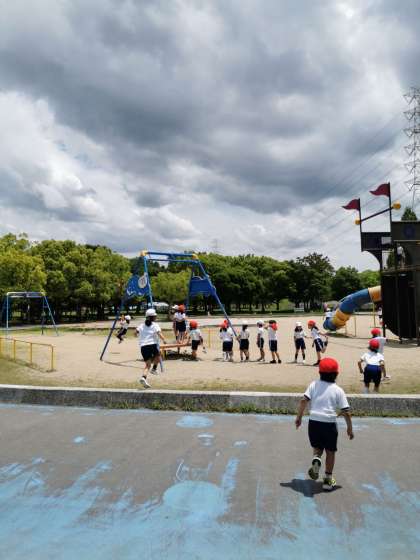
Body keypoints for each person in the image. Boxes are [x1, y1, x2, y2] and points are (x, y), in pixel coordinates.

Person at [295, 357, 354, 491]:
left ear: (319, 372)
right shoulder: (338, 390)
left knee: (317, 447)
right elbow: (346, 412)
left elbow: (303, 401)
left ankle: (316, 459)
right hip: (329, 424)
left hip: (314, 422)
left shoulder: (314, 385)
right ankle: (327, 480)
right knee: (330, 451)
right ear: (336, 374)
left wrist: (299, 417)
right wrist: (350, 429)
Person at [136, 308, 166, 388]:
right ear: (152, 317)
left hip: (143, 347)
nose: (156, 317)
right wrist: (164, 339)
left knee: (148, 365)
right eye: (154, 316)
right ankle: (154, 369)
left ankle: (143, 377)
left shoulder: (141, 325)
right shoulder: (155, 325)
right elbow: (159, 333)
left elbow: (135, 333)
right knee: (159, 355)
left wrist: (138, 335)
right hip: (152, 345)